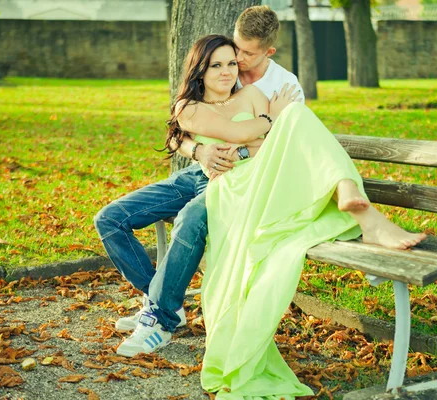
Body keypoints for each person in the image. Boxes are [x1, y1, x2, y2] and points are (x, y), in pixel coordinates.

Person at [171, 35, 426, 398]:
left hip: (270, 179)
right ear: (200, 69)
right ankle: (353, 197)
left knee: (297, 114)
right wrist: (264, 125)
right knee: (293, 115)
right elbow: (245, 133)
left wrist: (265, 127)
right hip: (234, 191)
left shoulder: (250, 95)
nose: (228, 71)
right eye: (217, 65)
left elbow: (272, 136)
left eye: (231, 63)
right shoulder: (190, 107)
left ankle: (353, 199)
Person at [93, 5, 305, 358]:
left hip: (239, 180)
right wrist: (199, 151)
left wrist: (239, 151)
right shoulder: (207, 83)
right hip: (197, 171)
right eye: (226, 56)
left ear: (268, 51)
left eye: (240, 57)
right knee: (110, 219)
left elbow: (286, 144)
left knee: (191, 218)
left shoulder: (282, 86)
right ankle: (163, 302)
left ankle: (158, 316)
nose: (233, 62)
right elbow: (177, 134)